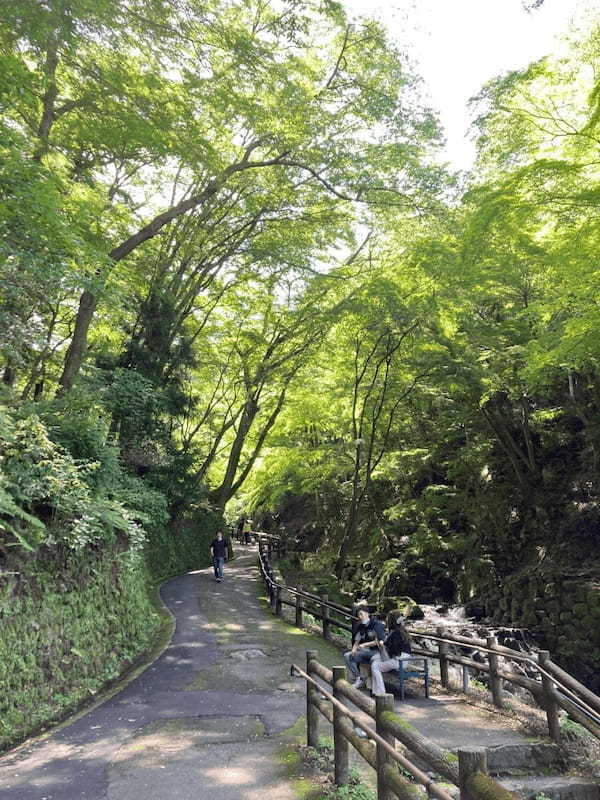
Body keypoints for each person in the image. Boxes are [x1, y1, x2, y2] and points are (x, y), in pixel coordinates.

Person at [370, 610, 412, 697]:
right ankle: (376, 691)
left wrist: (382, 645)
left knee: (375, 666)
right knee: (375, 662)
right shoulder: (401, 631)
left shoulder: (396, 633)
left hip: (399, 661)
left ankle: (381, 693)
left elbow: (395, 652)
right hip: (402, 660)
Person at [344, 607, 386, 689]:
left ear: (367, 614)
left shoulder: (377, 624)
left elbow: (380, 641)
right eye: (358, 615)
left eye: (361, 614)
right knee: (347, 656)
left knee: (374, 663)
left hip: (377, 652)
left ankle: (376, 688)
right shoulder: (361, 626)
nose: (360, 616)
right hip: (365, 652)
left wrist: (365, 645)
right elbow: (357, 641)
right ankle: (359, 678)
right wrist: (353, 650)